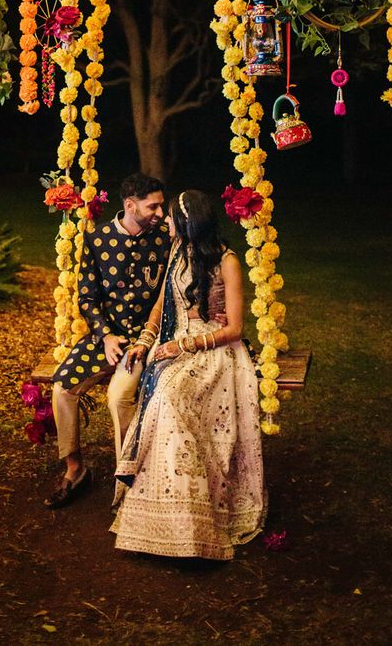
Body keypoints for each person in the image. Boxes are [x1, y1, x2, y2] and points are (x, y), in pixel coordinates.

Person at [110, 189, 266, 559]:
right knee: (165, 398)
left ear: (187, 221)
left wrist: (184, 346)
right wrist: (145, 342)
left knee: (171, 397)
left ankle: (194, 518)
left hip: (213, 350)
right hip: (172, 344)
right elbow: (160, 307)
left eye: (172, 217)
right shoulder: (177, 254)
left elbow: (235, 329)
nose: (165, 221)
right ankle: (159, 515)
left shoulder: (226, 261)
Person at [44, 173, 171, 509]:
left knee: (119, 398)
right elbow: (87, 297)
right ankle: (75, 469)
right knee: (61, 388)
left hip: (145, 339)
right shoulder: (98, 240)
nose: (160, 211)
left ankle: (130, 479)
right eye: (153, 206)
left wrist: (144, 339)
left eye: (162, 204)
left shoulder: (165, 239)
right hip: (106, 336)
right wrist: (105, 336)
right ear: (130, 205)